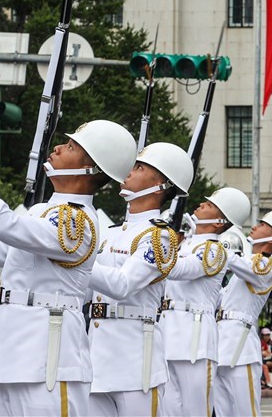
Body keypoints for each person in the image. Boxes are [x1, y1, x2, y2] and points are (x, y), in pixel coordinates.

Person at [0, 120, 137, 416]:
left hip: (48, 355)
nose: (58, 148)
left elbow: (6, 224)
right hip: (14, 351)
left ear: (90, 170)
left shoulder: (78, 222)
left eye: (70, 147)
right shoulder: (43, 212)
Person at [86, 142, 193, 416]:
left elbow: (122, 285)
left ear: (161, 184)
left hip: (135, 361)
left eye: (139, 167)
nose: (129, 172)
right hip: (96, 356)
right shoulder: (109, 232)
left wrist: (75, 259)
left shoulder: (161, 237)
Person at [158, 187, 250, 416]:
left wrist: (162, 242)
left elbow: (180, 270)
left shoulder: (215, 250)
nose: (200, 205)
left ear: (220, 222)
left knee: (196, 410)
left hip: (194, 341)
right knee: (168, 410)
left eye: (209, 205)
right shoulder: (184, 243)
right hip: (168, 336)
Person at [214, 209, 272, 416]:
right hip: (220, 344)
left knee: (246, 411)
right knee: (222, 411)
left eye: (262, 225)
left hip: (241, 348)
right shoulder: (245, 266)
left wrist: (207, 240)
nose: (255, 226)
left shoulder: (264, 266)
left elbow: (233, 260)